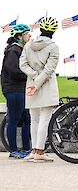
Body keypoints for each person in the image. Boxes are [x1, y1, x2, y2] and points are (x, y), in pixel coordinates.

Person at [19, 17, 59, 162]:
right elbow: (49, 69)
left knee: (34, 120)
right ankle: (39, 151)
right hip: (46, 85)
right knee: (44, 120)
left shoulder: (28, 45)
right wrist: (39, 80)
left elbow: (22, 64)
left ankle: (33, 150)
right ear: (54, 31)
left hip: (31, 83)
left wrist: (34, 78)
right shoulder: (53, 47)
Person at [1, 24, 32, 159]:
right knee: (13, 120)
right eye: (27, 34)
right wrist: (30, 75)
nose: (30, 36)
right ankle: (13, 151)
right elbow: (14, 71)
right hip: (14, 90)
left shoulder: (22, 50)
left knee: (26, 120)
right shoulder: (13, 51)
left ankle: (26, 149)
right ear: (19, 37)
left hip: (21, 90)